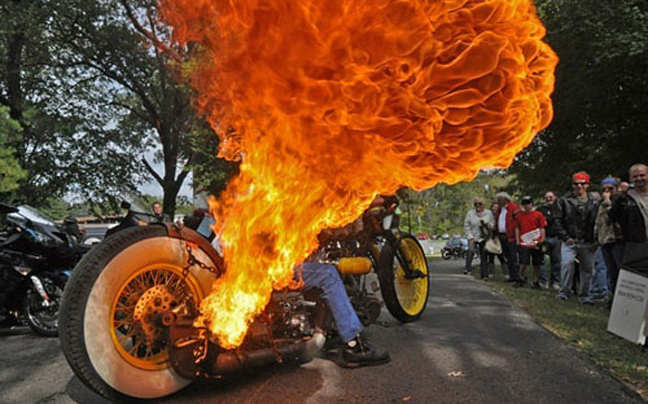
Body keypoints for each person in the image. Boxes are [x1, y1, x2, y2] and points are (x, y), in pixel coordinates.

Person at [300, 261, 390, 368]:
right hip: (281, 268)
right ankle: (354, 345)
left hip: (278, 264)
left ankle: (324, 326)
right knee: (328, 274)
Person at [554, 171, 600, 304]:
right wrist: (565, 237)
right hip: (570, 241)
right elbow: (557, 221)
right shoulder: (563, 201)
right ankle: (564, 292)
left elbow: (600, 221)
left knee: (588, 269)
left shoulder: (595, 202)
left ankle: (585, 295)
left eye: (582, 183)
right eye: (576, 184)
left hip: (588, 242)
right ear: (572, 185)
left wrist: (596, 240)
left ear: (587, 185)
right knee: (567, 265)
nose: (579, 186)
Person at [595, 177, 624, 300]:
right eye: (604, 189)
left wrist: (607, 203)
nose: (607, 192)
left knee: (619, 270)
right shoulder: (601, 204)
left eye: (610, 189)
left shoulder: (620, 202)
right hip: (605, 241)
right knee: (610, 271)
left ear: (616, 189)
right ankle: (612, 297)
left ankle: (620, 298)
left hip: (617, 240)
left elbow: (610, 218)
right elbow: (598, 222)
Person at [514, 196, 547, 288]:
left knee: (537, 263)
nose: (526, 205)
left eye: (528, 203)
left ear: (532, 204)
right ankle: (521, 278)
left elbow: (542, 227)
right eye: (524, 203)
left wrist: (542, 240)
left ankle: (535, 281)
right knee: (523, 262)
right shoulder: (519, 215)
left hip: (536, 241)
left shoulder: (538, 214)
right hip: (524, 242)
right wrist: (517, 241)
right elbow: (517, 228)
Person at [463, 198, 495, 279]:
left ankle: (484, 274)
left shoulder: (488, 213)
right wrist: (470, 237)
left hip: (484, 237)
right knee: (470, 250)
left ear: (483, 205)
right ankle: (468, 268)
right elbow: (466, 226)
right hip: (473, 236)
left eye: (480, 204)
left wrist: (490, 225)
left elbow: (493, 223)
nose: (478, 206)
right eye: (476, 204)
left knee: (484, 255)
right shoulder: (470, 213)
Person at [537, 191, 562, 289]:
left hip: (556, 237)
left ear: (555, 197)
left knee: (556, 261)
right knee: (541, 260)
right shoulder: (540, 210)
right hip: (543, 238)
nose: (549, 199)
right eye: (547, 197)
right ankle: (543, 281)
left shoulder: (560, 209)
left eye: (551, 197)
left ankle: (555, 282)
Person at [495, 192, 520, 283]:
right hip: (502, 236)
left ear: (505, 199)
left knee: (513, 257)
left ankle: (517, 276)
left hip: (511, 236)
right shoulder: (500, 209)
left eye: (499, 199)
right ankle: (512, 275)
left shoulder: (513, 207)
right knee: (507, 256)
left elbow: (517, 221)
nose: (497, 201)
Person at [485, 202, 507, 277]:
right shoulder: (488, 216)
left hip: (500, 238)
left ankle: (506, 273)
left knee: (501, 255)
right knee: (491, 256)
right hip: (491, 237)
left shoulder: (501, 216)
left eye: (496, 207)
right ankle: (491, 273)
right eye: (493, 207)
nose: (495, 209)